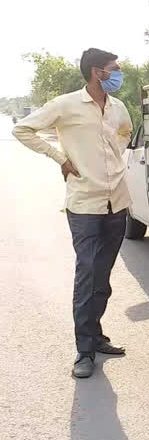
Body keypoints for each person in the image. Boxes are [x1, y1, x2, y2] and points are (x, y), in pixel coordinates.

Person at [13, 48, 133, 378]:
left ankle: (95, 336)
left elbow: (126, 131)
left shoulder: (118, 107)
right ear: (98, 72)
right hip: (85, 206)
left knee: (102, 279)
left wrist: (117, 152)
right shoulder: (67, 105)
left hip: (117, 204)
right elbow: (22, 129)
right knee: (87, 276)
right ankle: (84, 351)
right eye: (115, 69)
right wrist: (60, 158)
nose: (119, 73)